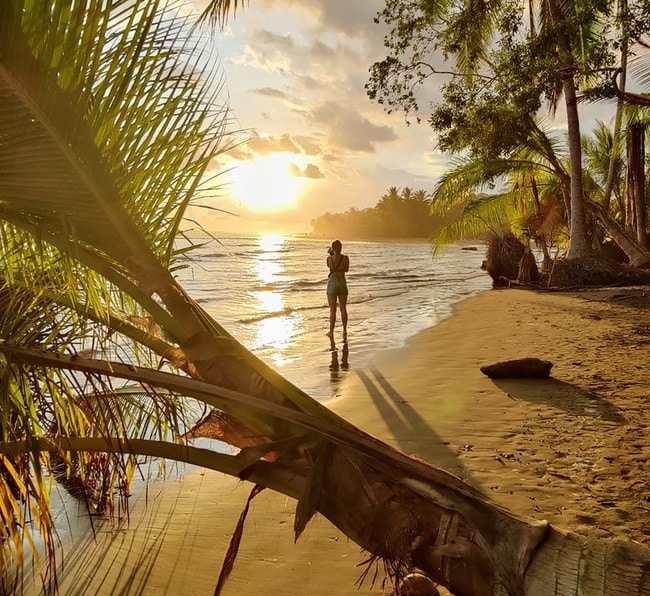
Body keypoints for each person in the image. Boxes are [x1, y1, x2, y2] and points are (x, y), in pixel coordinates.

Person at [326, 239, 349, 345]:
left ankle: (331, 331)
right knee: (343, 308)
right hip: (342, 284)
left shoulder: (328, 259)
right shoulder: (345, 258)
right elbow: (346, 269)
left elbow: (329, 266)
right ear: (341, 248)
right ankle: (344, 330)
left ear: (333, 248)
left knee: (332, 310)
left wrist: (331, 253)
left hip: (332, 285)